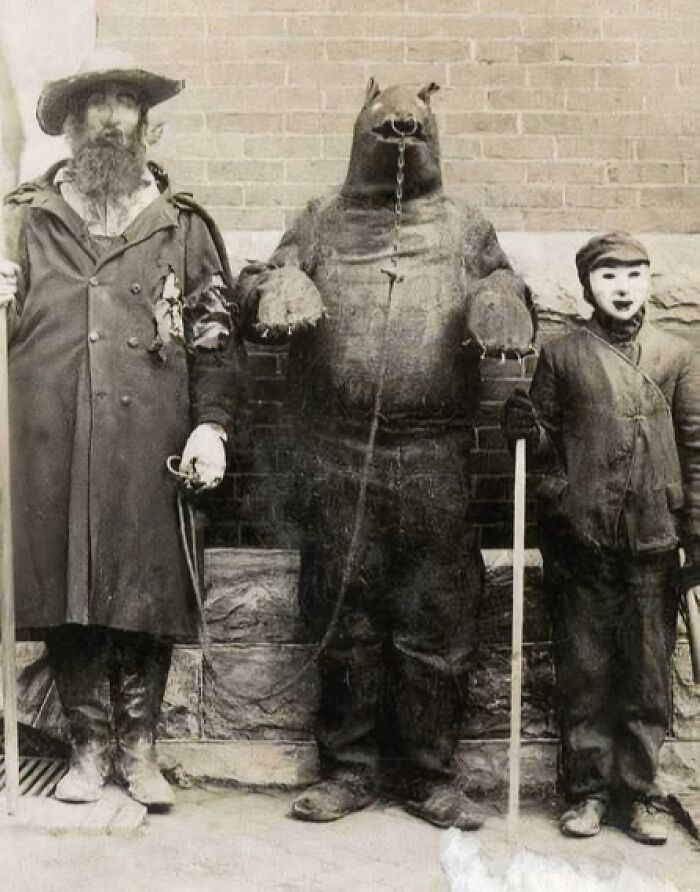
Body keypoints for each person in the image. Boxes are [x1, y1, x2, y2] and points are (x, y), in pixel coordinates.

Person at [237, 79, 533, 828]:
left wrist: (503, 293)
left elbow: (512, 284)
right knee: (347, 619)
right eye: (386, 129)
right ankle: (350, 768)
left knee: (436, 624)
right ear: (359, 137)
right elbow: (248, 290)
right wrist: (277, 284)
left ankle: (430, 774)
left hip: (434, 457)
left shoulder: (467, 226)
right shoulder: (320, 219)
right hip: (338, 459)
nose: (400, 140)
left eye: (413, 130)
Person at [0, 46, 244, 809]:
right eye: (94, 103)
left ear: (145, 121)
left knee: (148, 586)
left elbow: (215, 332)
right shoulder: (24, 220)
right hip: (51, 433)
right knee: (65, 588)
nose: (109, 116)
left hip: (152, 439)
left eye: (124, 102)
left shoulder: (181, 223)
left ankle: (139, 752)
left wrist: (212, 427)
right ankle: (85, 747)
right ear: (71, 125)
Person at [502, 232, 700, 845]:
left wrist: (695, 532)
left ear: (650, 283)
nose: (622, 287)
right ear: (588, 284)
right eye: (609, 276)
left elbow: (695, 446)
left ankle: (635, 796)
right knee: (585, 671)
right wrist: (525, 431)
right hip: (581, 542)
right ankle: (587, 794)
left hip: (653, 541)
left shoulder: (676, 355)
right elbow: (543, 451)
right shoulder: (562, 356)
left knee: (646, 673)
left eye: (634, 276)